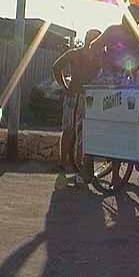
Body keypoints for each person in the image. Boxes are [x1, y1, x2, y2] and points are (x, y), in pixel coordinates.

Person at [52, 29, 101, 187]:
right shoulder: (75, 54)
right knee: (69, 130)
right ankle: (63, 164)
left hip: (89, 99)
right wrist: (63, 86)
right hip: (74, 96)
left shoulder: (98, 58)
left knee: (84, 134)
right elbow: (56, 67)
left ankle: (78, 167)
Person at [90, 4, 139, 76]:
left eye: (132, 16)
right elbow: (94, 46)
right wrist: (102, 61)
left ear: (138, 21)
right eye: (125, 15)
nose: (127, 18)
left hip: (133, 80)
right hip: (110, 78)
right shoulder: (112, 30)